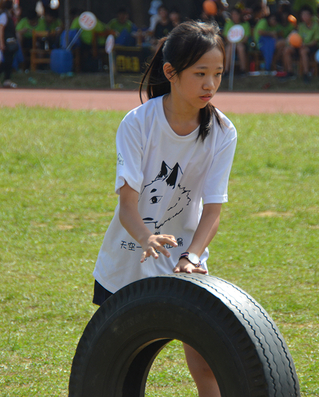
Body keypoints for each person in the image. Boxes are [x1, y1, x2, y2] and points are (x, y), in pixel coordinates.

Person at [91, 20, 237, 397]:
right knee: (114, 365)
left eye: (218, 74)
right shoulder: (138, 123)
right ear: (171, 72)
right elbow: (126, 205)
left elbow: (214, 210)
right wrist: (146, 237)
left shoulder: (223, 130)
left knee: (206, 361)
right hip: (130, 258)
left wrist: (192, 255)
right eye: (200, 73)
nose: (210, 84)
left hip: (185, 258)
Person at [283, 6, 319, 81]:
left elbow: (315, 41)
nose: (304, 17)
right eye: (303, 15)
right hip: (300, 45)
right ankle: (290, 72)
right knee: (287, 50)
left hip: (311, 46)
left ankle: (306, 73)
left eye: (306, 15)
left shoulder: (316, 26)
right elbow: (298, 38)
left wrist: (305, 45)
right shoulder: (301, 26)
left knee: (303, 51)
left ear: (310, 16)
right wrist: (294, 44)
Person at [0, 0, 18, 88]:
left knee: (10, 61)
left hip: (10, 42)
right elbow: (0, 30)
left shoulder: (9, 16)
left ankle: (7, 80)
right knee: (7, 61)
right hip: (5, 42)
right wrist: (1, 43)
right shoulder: (3, 16)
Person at [223, 7, 251, 74]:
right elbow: (226, 36)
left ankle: (243, 69)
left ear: (239, 15)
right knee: (229, 48)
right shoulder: (229, 24)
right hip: (231, 43)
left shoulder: (245, 24)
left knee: (240, 48)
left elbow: (246, 37)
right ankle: (226, 70)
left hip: (242, 43)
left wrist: (239, 43)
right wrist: (232, 43)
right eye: (233, 14)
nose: (234, 16)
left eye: (236, 14)